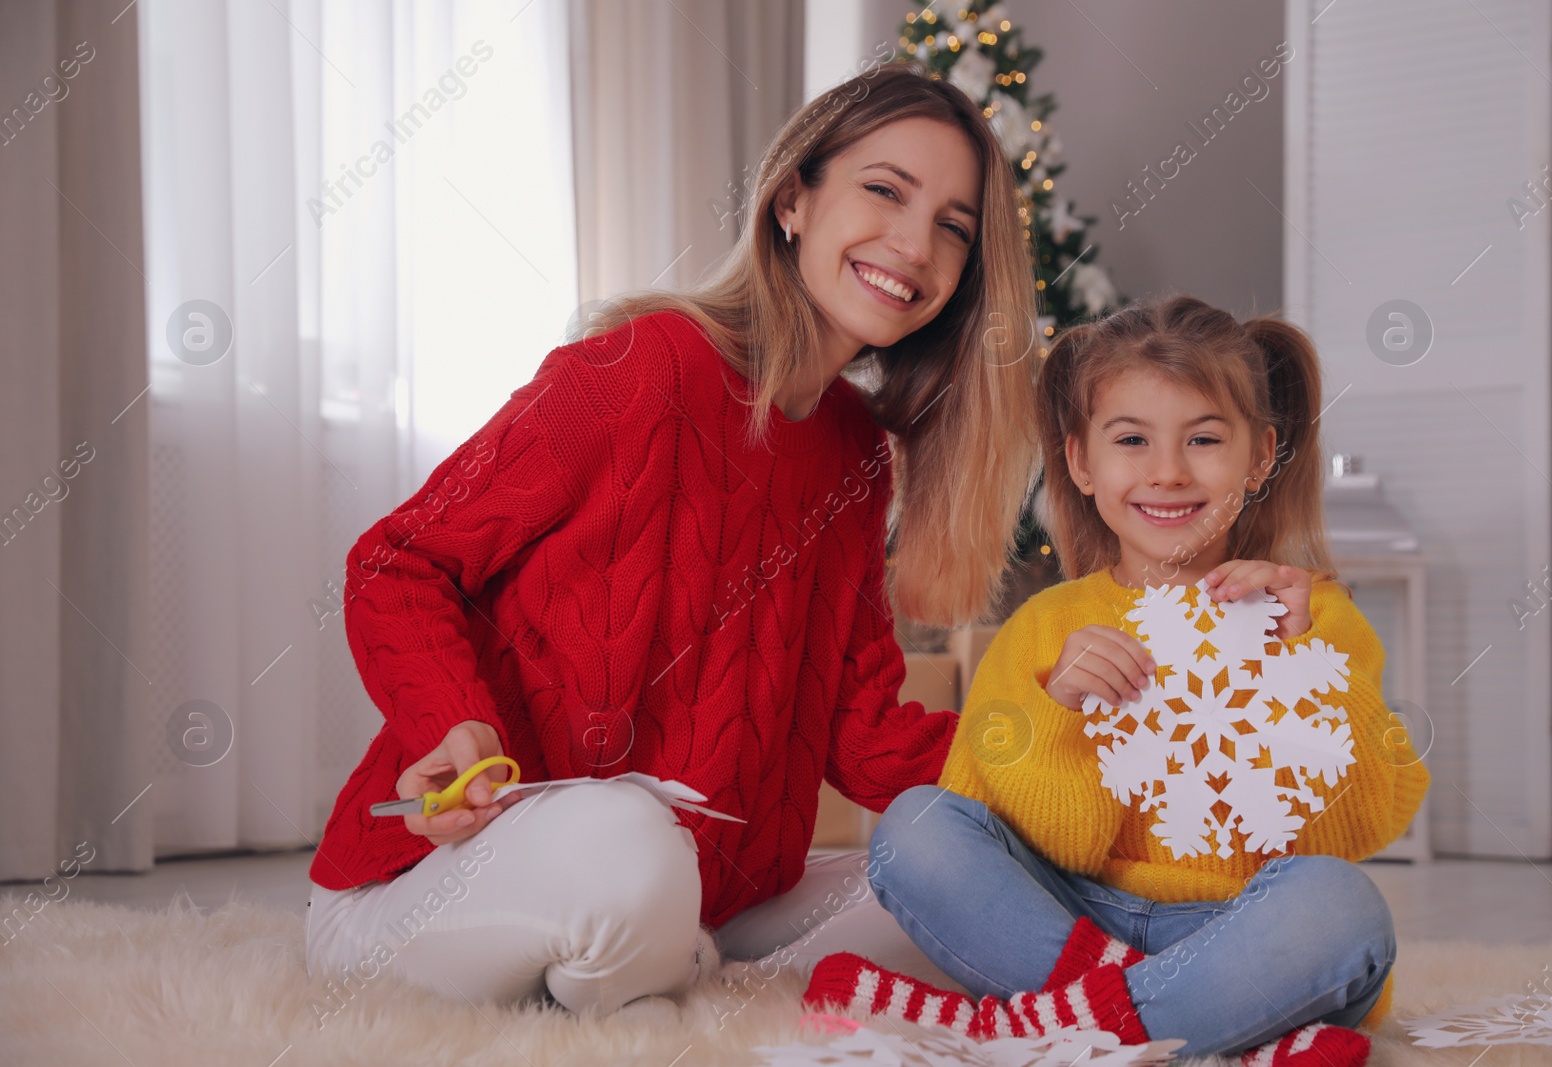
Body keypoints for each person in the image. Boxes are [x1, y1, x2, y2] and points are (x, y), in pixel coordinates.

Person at [303, 59, 1042, 1021]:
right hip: (432, 890)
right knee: (626, 837)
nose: (914, 243)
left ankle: (649, 973)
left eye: (953, 226)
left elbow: (863, 734)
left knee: (943, 891)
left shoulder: (858, 454)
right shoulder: (640, 369)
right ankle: (650, 975)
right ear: (791, 201)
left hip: (700, 894)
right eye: (884, 191)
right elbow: (400, 562)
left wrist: (1055, 758)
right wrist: (453, 720)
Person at [802, 294, 1432, 1066]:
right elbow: (998, 832)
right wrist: (1060, 711)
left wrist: (1307, 664)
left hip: (1241, 926)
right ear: (1081, 462)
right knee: (913, 830)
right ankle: (1223, 1029)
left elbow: (1368, 821)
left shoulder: (1312, 614)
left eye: (1204, 439)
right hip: (1072, 915)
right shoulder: (1045, 626)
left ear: (1261, 456)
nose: (1167, 472)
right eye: (1132, 439)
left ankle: (1027, 1027)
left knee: (1345, 908)